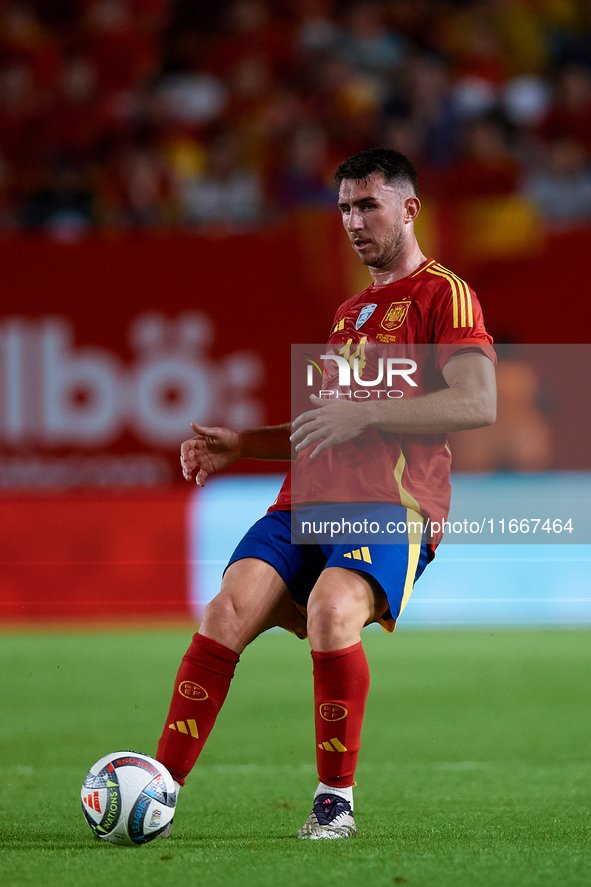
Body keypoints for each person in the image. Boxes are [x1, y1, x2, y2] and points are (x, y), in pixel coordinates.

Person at [155, 148, 497, 839]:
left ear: (408, 208)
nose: (351, 220)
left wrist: (368, 412)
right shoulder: (350, 312)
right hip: (303, 501)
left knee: (332, 604)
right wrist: (240, 443)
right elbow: (326, 424)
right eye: (343, 207)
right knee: (225, 609)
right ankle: (156, 788)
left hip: (390, 506)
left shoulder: (444, 294)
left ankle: (333, 799)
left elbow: (478, 399)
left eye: (367, 204)